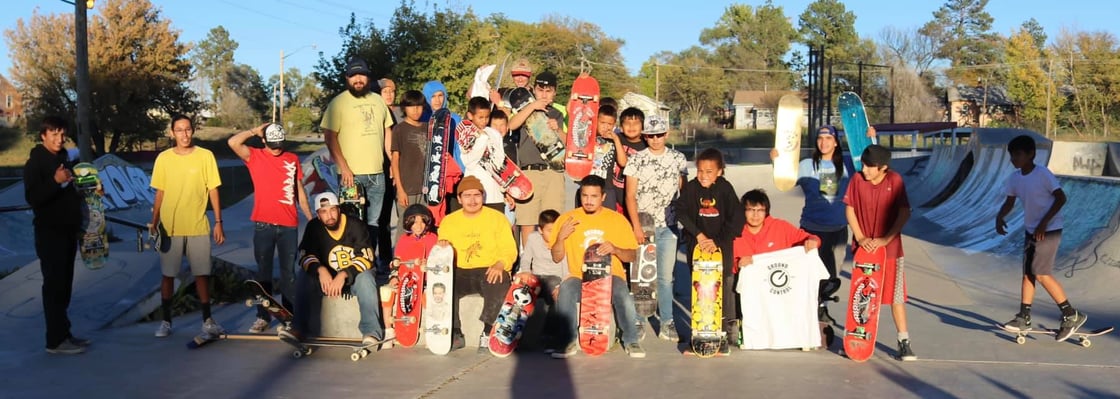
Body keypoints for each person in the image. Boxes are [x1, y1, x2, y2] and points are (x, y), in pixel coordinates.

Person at [997, 135, 1086, 341]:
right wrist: (1000, 216)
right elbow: (1009, 202)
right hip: (1031, 230)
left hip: (1050, 229)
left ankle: (1071, 314)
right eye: (1011, 155)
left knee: (1041, 273)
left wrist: (1044, 223)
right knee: (1028, 274)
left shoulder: (1043, 174)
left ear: (1031, 154)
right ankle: (1023, 317)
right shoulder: (1015, 178)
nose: (1014, 159)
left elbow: (1061, 197)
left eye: (1018, 154)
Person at [227, 123, 313, 333]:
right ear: (264, 140)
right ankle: (262, 317)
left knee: (288, 275)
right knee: (263, 274)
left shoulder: (292, 159)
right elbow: (232, 142)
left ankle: (289, 317)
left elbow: (299, 190)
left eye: (279, 144)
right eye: (272, 144)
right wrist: (254, 131)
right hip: (263, 224)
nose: (277, 149)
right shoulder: (254, 156)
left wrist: (310, 218)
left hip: (288, 224)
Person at [549, 175, 645, 358]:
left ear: (603, 197)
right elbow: (556, 257)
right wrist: (561, 237)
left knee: (623, 294)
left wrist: (615, 249)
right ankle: (567, 341)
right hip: (579, 276)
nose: (588, 201)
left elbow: (632, 255)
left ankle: (631, 340)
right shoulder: (567, 219)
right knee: (566, 289)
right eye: (585, 196)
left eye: (594, 196)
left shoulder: (617, 220)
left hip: (610, 275)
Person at [150, 114, 225, 338]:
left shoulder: (206, 156)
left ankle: (207, 320)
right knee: (168, 276)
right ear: (172, 133)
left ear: (193, 131)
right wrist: (154, 222)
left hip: (197, 226)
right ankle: (165, 321)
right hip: (170, 228)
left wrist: (219, 222)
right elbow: (160, 192)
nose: (184, 134)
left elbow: (213, 189)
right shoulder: (163, 158)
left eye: (188, 129)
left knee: (202, 274)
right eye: (179, 130)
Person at [280, 192, 384, 346]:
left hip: (353, 277)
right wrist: (320, 269)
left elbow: (367, 258)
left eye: (332, 210)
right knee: (304, 276)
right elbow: (304, 255)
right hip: (327, 279)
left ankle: (371, 332)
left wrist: (344, 274)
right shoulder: (313, 227)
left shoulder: (355, 225)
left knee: (366, 277)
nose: (329, 215)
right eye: (324, 212)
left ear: (339, 209)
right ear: (318, 214)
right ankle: (299, 329)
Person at [320, 57, 394, 271]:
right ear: (347, 78)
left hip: (377, 175)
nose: (358, 79)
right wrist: (344, 168)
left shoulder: (378, 101)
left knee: (375, 223)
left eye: (362, 75)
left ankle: (368, 264)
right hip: (352, 176)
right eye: (354, 76)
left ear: (368, 77)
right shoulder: (338, 103)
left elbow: (387, 133)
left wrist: (392, 166)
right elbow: (330, 137)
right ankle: (351, 267)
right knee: (352, 224)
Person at [24, 116, 89, 354]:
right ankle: (55, 341)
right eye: (54, 133)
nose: (59, 138)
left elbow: (69, 192)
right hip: (50, 234)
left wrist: (86, 191)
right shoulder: (35, 163)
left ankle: (65, 334)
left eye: (62, 134)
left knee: (64, 286)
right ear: (43, 135)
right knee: (54, 287)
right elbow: (33, 198)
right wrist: (54, 180)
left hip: (67, 231)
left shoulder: (63, 159)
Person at [844, 144, 915, 361]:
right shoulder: (857, 180)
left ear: (883, 168)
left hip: (890, 250)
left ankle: (904, 341)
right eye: (863, 164)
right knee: (863, 294)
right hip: (864, 250)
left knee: (895, 296)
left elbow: (904, 213)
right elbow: (850, 208)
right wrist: (860, 237)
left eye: (870, 166)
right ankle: (859, 337)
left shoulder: (895, 181)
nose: (864, 170)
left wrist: (885, 239)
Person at [676, 148, 746, 356]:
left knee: (720, 293)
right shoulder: (691, 188)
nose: (704, 176)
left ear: (720, 172)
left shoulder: (725, 189)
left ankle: (721, 338)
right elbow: (681, 211)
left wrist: (716, 242)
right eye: (700, 171)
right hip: (697, 247)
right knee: (700, 292)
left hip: (720, 248)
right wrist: (698, 235)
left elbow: (736, 220)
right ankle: (697, 337)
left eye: (709, 171)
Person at [624, 113, 686, 341]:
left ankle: (667, 322)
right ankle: (639, 321)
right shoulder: (636, 159)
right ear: (645, 136)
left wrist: (684, 224)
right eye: (651, 135)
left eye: (660, 134)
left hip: (669, 227)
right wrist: (636, 226)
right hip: (645, 226)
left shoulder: (678, 158)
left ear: (666, 134)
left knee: (665, 278)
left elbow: (683, 193)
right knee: (642, 276)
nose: (656, 139)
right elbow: (630, 195)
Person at [437, 176, 517, 352]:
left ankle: (489, 332)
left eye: (477, 195)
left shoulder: (497, 218)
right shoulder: (449, 221)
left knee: (500, 279)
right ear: (459, 199)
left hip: (488, 269)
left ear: (483, 197)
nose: (472, 200)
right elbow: (441, 254)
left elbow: (509, 249)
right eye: (467, 195)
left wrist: (500, 264)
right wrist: (442, 247)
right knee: (443, 284)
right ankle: (455, 333)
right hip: (460, 270)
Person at [509, 71, 567, 243]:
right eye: (540, 90)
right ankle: (528, 261)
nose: (544, 94)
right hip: (529, 172)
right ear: (533, 90)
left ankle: (550, 260)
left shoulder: (557, 113)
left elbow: (569, 144)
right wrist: (531, 107)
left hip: (553, 171)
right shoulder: (523, 109)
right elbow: (512, 125)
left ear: (555, 93)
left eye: (548, 91)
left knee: (552, 220)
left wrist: (558, 130)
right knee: (528, 221)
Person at [517, 209, 568, 350]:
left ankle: (549, 335)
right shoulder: (533, 238)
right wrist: (526, 273)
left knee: (555, 291)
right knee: (521, 291)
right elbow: (526, 259)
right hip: (537, 276)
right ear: (540, 230)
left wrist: (563, 284)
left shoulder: (563, 240)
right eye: (550, 230)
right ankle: (517, 333)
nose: (554, 234)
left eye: (557, 229)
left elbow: (566, 265)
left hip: (555, 278)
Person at [390, 90, 430, 235]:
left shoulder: (428, 128)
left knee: (424, 225)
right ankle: (399, 257)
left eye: (419, 106)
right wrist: (400, 190)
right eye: (412, 106)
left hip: (425, 188)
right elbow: (395, 160)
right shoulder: (399, 129)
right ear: (404, 108)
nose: (416, 110)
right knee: (405, 225)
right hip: (407, 188)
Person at [456, 97, 507, 211]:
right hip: (474, 195)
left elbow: (500, 161)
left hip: (495, 195)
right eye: (480, 117)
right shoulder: (465, 134)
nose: (484, 121)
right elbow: (469, 162)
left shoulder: (494, 134)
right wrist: (482, 139)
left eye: (487, 117)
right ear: (470, 116)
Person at [588, 104, 626, 211]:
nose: (606, 127)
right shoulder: (588, 136)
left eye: (610, 124)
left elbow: (623, 162)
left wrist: (616, 140)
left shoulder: (615, 140)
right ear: (596, 121)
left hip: (607, 187)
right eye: (602, 123)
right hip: (588, 186)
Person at [613, 107, 648, 215]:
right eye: (627, 123)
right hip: (614, 197)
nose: (631, 127)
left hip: (636, 199)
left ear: (642, 126)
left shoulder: (647, 145)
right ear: (621, 127)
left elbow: (624, 163)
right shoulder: (615, 137)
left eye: (636, 123)